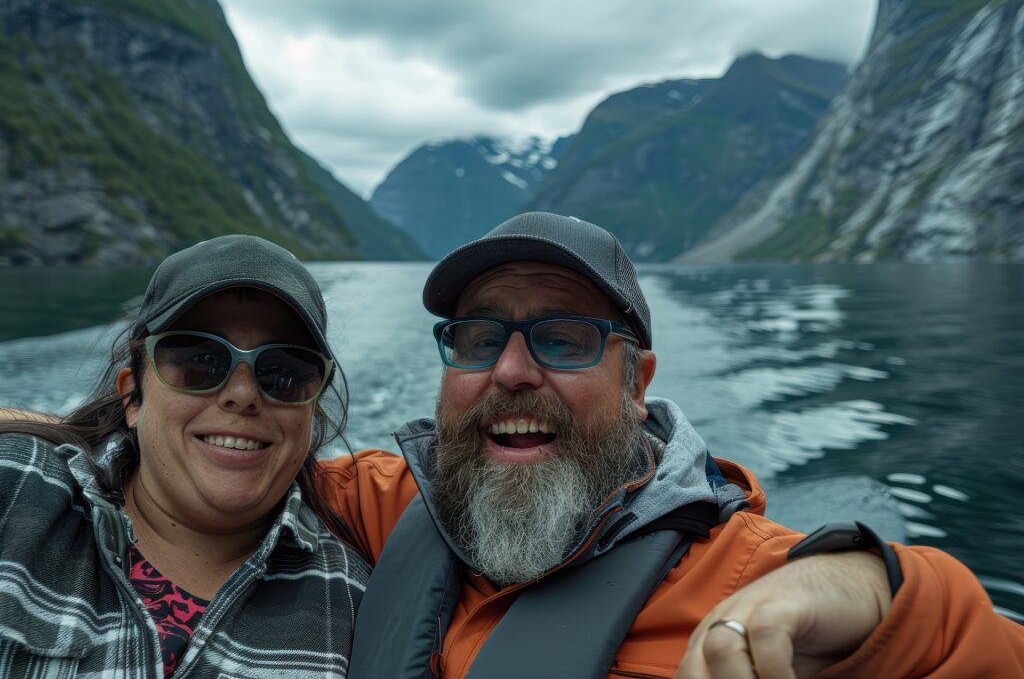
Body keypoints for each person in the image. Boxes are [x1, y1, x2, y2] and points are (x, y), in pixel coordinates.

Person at [320, 212, 1024, 679]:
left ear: (637, 385)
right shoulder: (386, 501)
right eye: (478, 339)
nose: (509, 370)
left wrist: (880, 588)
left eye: (564, 339)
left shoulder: (749, 590)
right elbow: (244, 467)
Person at [0, 235, 371, 677]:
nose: (242, 394)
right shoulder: (16, 487)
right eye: (200, 360)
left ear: (310, 414)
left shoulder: (354, 602)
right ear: (133, 399)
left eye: (285, 372)